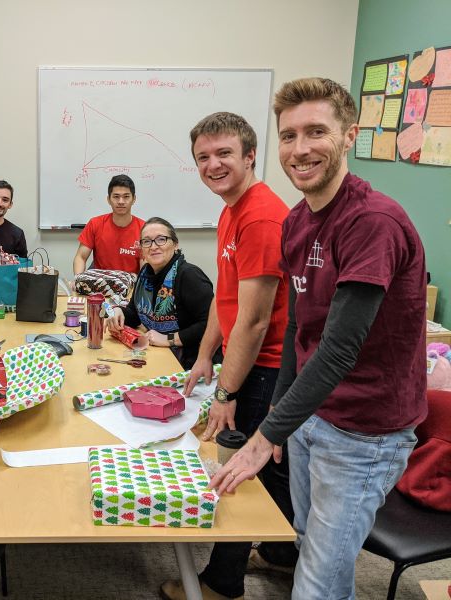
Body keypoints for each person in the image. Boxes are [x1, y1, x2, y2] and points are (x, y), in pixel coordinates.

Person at [211, 78, 427, 600]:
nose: (300, 149)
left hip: (364, 434)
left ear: (349, 135)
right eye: (289, 136)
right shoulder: (299, 221)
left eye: (316, 132)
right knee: (312, 553)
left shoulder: (371, 222)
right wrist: (284, 418)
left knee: (317, 587)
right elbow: (300, 333)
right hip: (314, 416)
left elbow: (338, 349)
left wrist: (266, 436)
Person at [160, 112, 296, 600]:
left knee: (240, 468)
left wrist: (227, 391)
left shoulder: (260, 215)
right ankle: (283, 555)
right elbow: (227, 294)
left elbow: (256, 322)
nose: (212, 165)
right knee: (276, 467)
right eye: (203, 157)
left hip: (268, 366)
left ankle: (223, 582)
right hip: (247, 361)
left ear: (250, 155)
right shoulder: (231, 207)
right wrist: (203, 356)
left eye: (224, 154)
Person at [105, 217, 213, 369]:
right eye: (147, 241)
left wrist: (169, 339)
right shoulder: (145, 273)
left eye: (161, 239)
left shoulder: (189, 275)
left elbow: (211, 324)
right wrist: (117, 311)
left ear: (175, 244)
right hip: (159, 354)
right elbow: (135, 314)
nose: (153, 246)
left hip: (190, 363)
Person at [73, 174, 145, 274]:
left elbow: (145, 267)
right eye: (116, 196)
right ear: (108, 199)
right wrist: (78, 280)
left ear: (134, 199)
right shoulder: (95, 224)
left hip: (130, 286)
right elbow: (81, 257)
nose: (121, 201)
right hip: (100, 285)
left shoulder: (144, 229)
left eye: (126, 197)